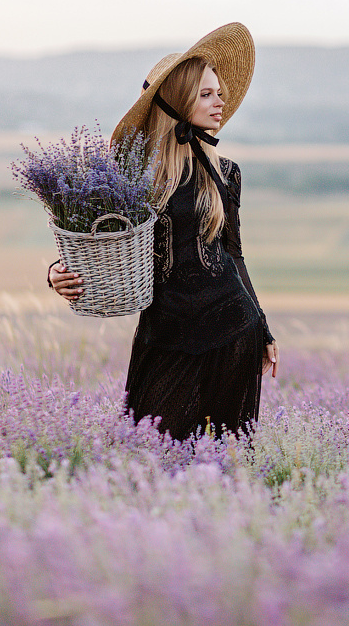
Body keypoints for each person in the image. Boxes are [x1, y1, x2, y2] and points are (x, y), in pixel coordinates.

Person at [48, 23, 278, 440]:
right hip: (164, 335)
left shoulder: (226, 173)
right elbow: (94, 241)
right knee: (148, 454)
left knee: (226, 463)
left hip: (233, 333)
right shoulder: (131, 178)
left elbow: (235, 255)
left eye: (219, 93)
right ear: (176, 101)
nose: (220, 102)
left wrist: (262, 328)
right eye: (205, 94)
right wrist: (56, 273)